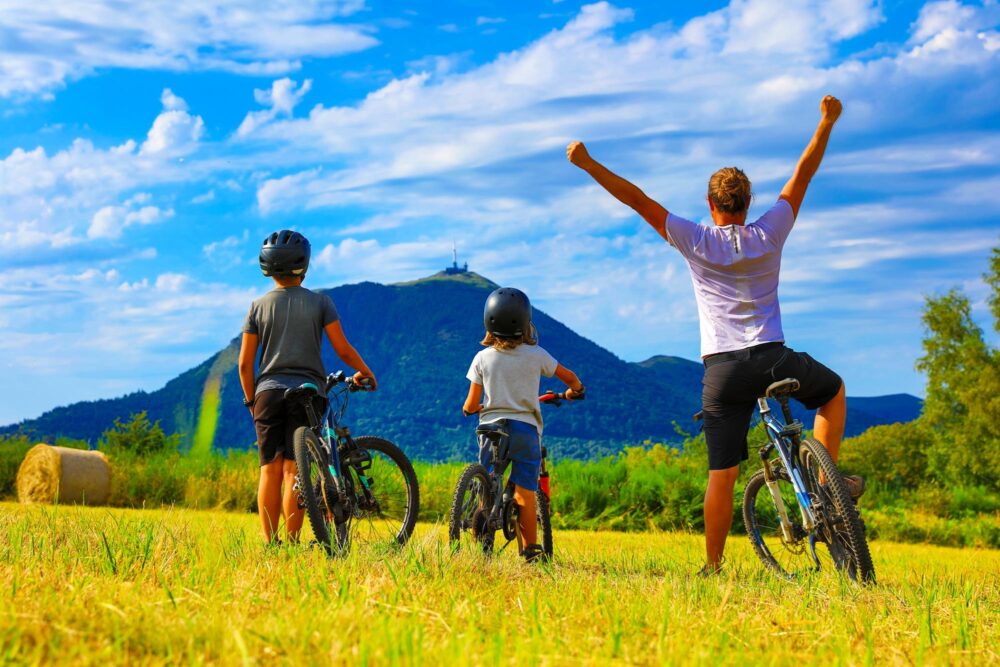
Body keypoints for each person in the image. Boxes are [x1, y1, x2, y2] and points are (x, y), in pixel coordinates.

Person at [567, 95, 862, 574]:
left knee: (721, 476)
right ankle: (827, 485)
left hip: (722, 371)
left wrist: (587, 163)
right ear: (748, 204)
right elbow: (802, 175)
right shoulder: (770, 232)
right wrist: (826, 121)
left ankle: (713, 566)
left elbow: (636, 199)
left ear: (710, 205)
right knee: (832, 392)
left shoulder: (696, 238)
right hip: (772, 357)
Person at [238, 229, 377, 545]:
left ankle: (271, 545)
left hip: (267, 393)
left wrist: (251, 401)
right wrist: (364, 371)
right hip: (307, 393)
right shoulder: (320, 303)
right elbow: (342, 349)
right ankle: (291, 543)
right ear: (304, 264)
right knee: (294, 472)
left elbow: (245, 364)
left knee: (269, 471)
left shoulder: (257, 307)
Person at [462, 287, 585, 562]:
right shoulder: (537, 354)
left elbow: (471, 404)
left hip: (491, 428)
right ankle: (529, 550)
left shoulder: (482, 358)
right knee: (525, 491)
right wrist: (576, 389)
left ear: (489, 322)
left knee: (488, 482)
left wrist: (471, 409)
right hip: (525, 429)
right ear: (525, 322)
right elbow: (569, 377)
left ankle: (483, 535)